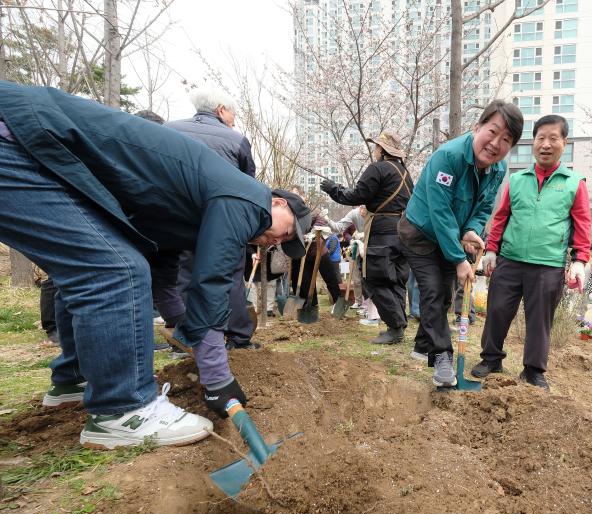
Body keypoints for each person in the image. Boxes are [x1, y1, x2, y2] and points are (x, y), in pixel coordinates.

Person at [0, 82, 310, 448]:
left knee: (97, 267)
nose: (277, 242)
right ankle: (123, 409)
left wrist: (183, 328)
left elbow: (164, 276)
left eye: (284, 244)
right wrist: (216, 376)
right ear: (278, 204)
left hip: (33, 140)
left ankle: (73, 378)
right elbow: (209, 284)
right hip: (24, 139)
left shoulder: (197, 208)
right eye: (286, 233)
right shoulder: (247, 201)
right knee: (116, 270)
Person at [399, 100, 523, 387]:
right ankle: (442, 357)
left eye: (506, 140)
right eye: (492, 132)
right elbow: (439, 211)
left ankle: (422, 345)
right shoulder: (448, 157)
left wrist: (470, 230)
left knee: (443, 293)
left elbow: (483, 207)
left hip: (450, 235)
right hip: (419, 232)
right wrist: (458, 259)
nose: (495, 143)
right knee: (432, 291)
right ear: (476, 127)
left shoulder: (497, 169)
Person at [469, 114, 590, 389]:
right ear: (533, 142)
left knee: (539, 321)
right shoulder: (517, 179)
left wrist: (580, 259)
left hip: (548, 264)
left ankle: (533, 370)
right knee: (497, 311)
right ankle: (491, 359)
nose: (546, 145)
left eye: (553, 139)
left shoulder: (575, 182)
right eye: (540, 138)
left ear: (564, 143)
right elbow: (501, 217)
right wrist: (492, 250)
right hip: (510, 260)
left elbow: (582, 223)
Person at [166, 87, 259, 350]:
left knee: (184, 275)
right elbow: (247, 184)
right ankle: (238, 338)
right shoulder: (235, 139)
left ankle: (183, 341)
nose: (234, 121)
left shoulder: (169, 129)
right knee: (230, 275)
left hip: (179, 218)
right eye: (233, 114)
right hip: (223, 218)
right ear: (221, 110)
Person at [321, 132, 414, 344]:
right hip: (403, 231)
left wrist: (332, 189)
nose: (375, 150)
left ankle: (395, 326)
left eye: (377, 147)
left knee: (374, 278)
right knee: (397, 279)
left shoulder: (377, 169)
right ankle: (397, 326)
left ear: (382, 150)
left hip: (382, 231)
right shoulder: (405, 173)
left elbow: (357, 196)